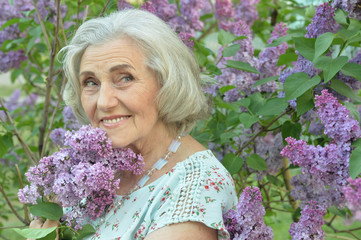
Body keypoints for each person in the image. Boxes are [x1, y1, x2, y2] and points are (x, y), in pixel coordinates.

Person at [32, 9, 237, 240]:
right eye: (91, 82)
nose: (104, 102)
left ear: (166, 82)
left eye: (125, 78)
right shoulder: (88, 169)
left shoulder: (195, 187)